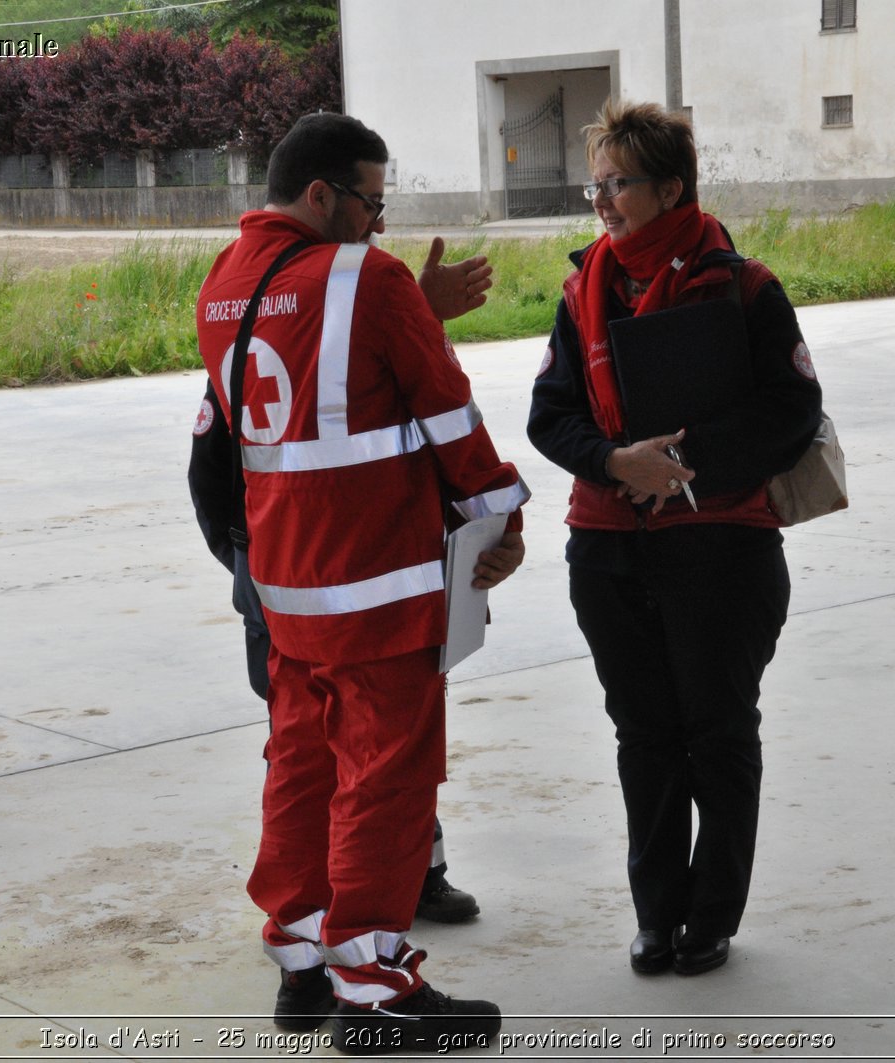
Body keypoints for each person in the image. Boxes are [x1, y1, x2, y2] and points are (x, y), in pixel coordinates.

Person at [191, 112, 528, 1053]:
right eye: (372, 203)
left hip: (285, 586)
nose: (380, 224)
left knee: (300, 768)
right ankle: (376, 989)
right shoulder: (369, 281)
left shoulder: (223, 285)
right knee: (386, 777)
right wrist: (502, 516)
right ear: (319, 196)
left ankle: (301, 961)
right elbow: (447, 410)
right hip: (377, 581)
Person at [527, 99, 822, 977]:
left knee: (719, 731)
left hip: (721, 549)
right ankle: (656, 913)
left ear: (672, 188)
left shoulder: (744, 286)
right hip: (610, 546)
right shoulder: (582, 290)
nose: (604, 202)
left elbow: (792, 412)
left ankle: (712, 914)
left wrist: (685, 465)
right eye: (599, 183)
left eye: (621, 184)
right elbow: (550, 416)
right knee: (643, 735)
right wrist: (619, 462)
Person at [190, 232, 492, 928]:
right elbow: (214, 471)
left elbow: (370, 403)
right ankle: (357, 941)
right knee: (345, 756)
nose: (372, 229)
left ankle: (398, 884)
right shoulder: (260, 330)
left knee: (342, 755)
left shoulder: (304, 309)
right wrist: (251, 565)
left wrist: (418, 314)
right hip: (302, 586)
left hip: (304, 580)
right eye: (369, 205)